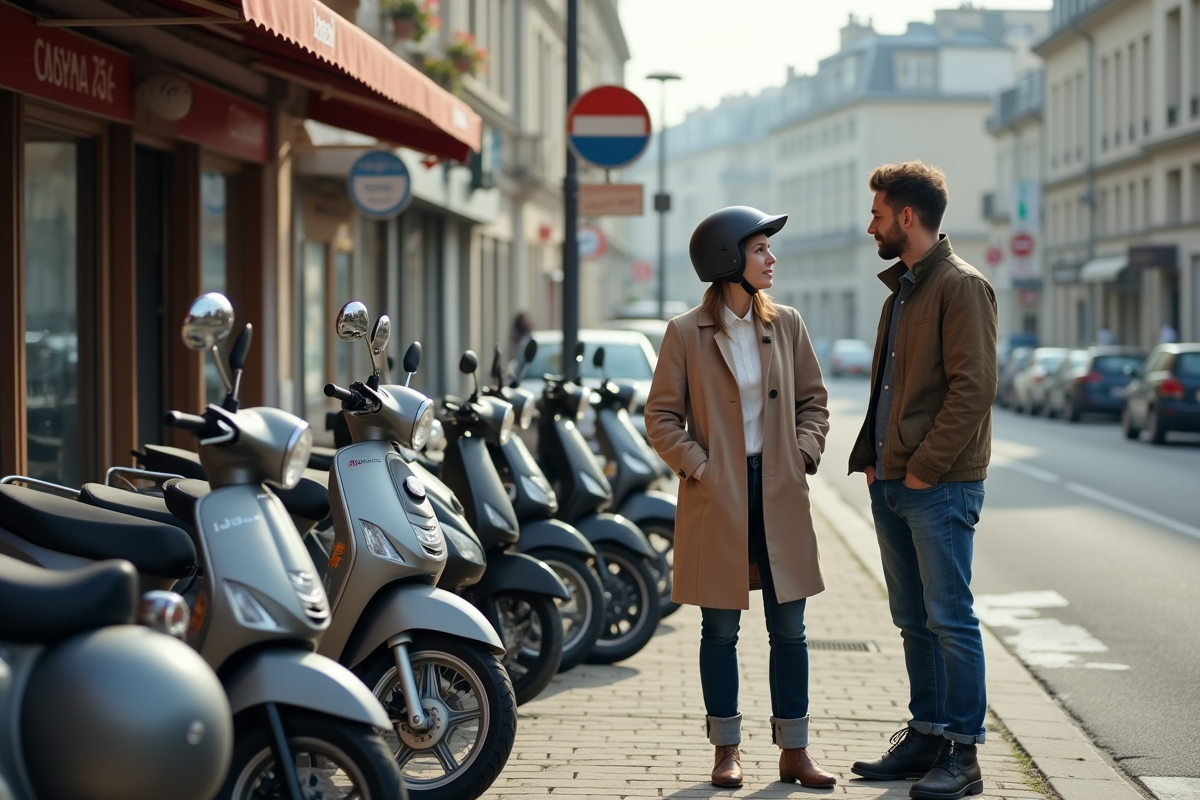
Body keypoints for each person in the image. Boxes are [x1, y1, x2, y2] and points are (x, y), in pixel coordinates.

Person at [645, 206, 836, 790]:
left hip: (780, 491)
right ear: (728, 259)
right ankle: (726, 749)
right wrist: (700, 467)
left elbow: (814, 402)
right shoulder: (685, 332)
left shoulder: (789, 324)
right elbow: (661, 417)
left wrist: (802, 453)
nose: (771, 258)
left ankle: (794, 751)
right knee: (720, 631)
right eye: (760, 249)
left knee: (791, 630)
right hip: (717, 496)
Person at [847, 162, 997, 800]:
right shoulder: (901, 293)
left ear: (906, 217)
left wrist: (922, 469)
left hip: (938, 485)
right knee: (913, 618)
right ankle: (928, 735)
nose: (871, 226)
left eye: (877, 214)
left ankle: (964, 754)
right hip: (894, 482)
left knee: (950, 618)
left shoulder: (961, 287)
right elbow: (890, 389)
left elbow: (974, 389)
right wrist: (877, 462)